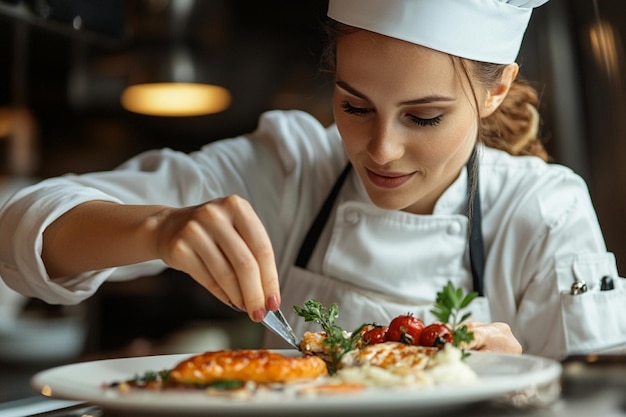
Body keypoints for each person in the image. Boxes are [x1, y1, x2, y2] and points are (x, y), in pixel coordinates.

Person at [1, 0, 625, 360]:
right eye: (354, 106)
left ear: (495, 91)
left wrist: (524, 389)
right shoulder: (292, 166)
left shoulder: (544, 211)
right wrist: (159, 229)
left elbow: (600, 396)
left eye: (424, 116)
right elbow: (22, 232)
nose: (381, 150)